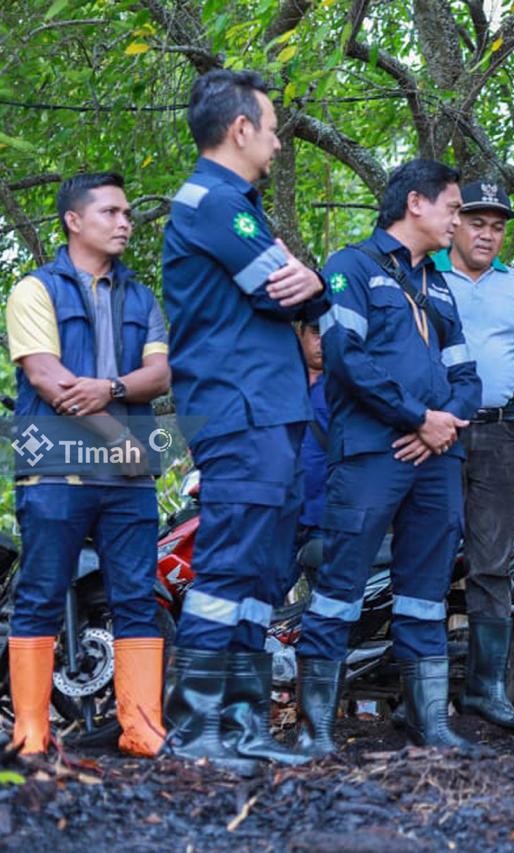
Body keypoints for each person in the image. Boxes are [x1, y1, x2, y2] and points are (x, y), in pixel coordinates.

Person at [162, 69, 328, 770]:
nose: (279, 145)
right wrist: (306, 285)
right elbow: (284, 290)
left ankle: (244, 722)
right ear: (240, 129)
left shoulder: (237, 204)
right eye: (272, 128)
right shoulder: (211, 201)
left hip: (273, 410)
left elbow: (301, 287)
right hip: (240, 408)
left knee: (262, 575)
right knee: (227, 564)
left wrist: (309, 283)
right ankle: (195, 728)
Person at [294, 158, 483, 756]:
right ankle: (315, 729)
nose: (458, 219)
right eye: (452, 207)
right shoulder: (350, 266)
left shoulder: (439, 282)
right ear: (416, 204)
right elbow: (345, 359)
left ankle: (431, 724)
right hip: (374, 453)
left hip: (438, 457)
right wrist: (416, 418)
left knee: (426, 592)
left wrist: (442, 425)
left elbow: (466, 374)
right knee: (340, 588)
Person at [5, 172, 171, 757]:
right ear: (74, 220)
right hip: (56, 469)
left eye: (127, 213)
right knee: (42, 594)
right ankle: (31, 733)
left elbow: (159, 374)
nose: (125, 221)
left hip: (128, 483)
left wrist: (109, 387)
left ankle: (141, 728)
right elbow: (48, 379)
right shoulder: (33, 290)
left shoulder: (142, 296)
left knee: (134, 596)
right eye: (111, 212)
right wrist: (118, 434)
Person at [434, 181, 514, 730]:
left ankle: (486, 689)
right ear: (453, 222)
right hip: (434, 434)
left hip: (501, 436)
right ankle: (426, 693)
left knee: (492, 564)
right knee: (426, 560)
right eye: (476, 221)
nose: (487, 233)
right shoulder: (424, 271)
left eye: (497, 225)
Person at [289, 320, 329, 594]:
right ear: (299, 333)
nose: (322, 342)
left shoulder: (350, 387)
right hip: (282, 516)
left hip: (327, 517)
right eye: (315, 332)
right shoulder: (279, 382)